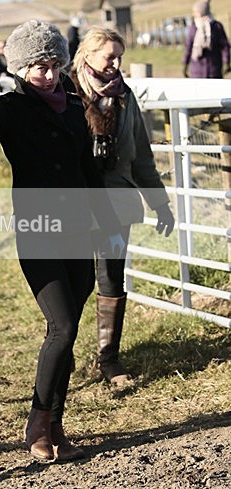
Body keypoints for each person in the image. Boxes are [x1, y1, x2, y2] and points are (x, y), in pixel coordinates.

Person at [0, 20, 123, 462]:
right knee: (63, 326)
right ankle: (37, 422)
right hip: (38, 231)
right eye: (38, 67)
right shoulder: (12, 107)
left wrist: (109, 225)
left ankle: (56, 425)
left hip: (82, 231)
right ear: (20, 69)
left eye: (54, 65)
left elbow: (90, 173)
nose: (49, 74)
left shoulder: (74, 107)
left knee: (64, 335)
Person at [71, 26, 175, 387]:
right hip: (76, 206)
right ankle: (61, 349)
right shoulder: (66, 93)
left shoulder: (125, 97)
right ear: (87, 54)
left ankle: (109, 359)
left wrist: (160, 203)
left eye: (120, 57)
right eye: (109, 56)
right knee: (74, 282)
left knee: (112, 278)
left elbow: (141, 155)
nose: (116, 63)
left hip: (118, 204)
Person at [182, 0, 230, 79]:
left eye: (195, 12)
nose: (193, 14)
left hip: (214, 71)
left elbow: (224, 46)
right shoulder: (193, 27)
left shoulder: (217, 27)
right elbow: (188, 47)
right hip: (196, 72)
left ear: (202, 12)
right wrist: (185, 64)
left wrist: (226, 62)